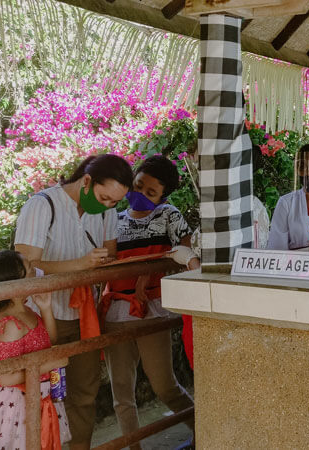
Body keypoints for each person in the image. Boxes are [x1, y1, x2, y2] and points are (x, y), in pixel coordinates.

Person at [14, 153, 132, 450]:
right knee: (39, 395)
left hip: (85, 316)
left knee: (84, 394)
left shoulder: (106, 213)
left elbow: (110, 255)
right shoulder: (42, 205)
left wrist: (107, 264)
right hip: (43, 315)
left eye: (115, 202)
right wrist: (79, 265)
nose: (107, 206)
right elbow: (25, 266)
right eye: (104, 197)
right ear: (87, 181)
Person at [98, 155, 196, 450]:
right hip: (116, 309)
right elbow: (107, 259)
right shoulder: (113, 218)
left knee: (165, 386)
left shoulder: (169, 215)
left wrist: (148, 272)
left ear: (163, 197)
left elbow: (185, 252)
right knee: (122, 396)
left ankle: (206, 430)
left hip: (152, 307)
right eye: (137, 186)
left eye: (150, 192)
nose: (140, 195)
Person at [0, 250, 71, 450]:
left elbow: (49, 342)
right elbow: (5, 378)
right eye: (30, 269)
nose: (37, 271)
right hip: (17, 406)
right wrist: (52, 362)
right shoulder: (9, 325)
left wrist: (46, 309)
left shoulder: (26, 311)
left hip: (38, 395)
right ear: (14, 283)